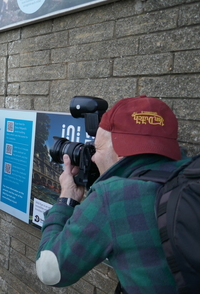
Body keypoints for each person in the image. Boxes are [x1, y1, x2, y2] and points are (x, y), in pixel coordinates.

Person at [36, 95, 188, 294]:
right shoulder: (189, 173)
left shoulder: (114, 196)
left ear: (123, 152)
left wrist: (66, 198)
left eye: (97, 148)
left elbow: (49, 270)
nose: (93, 157)